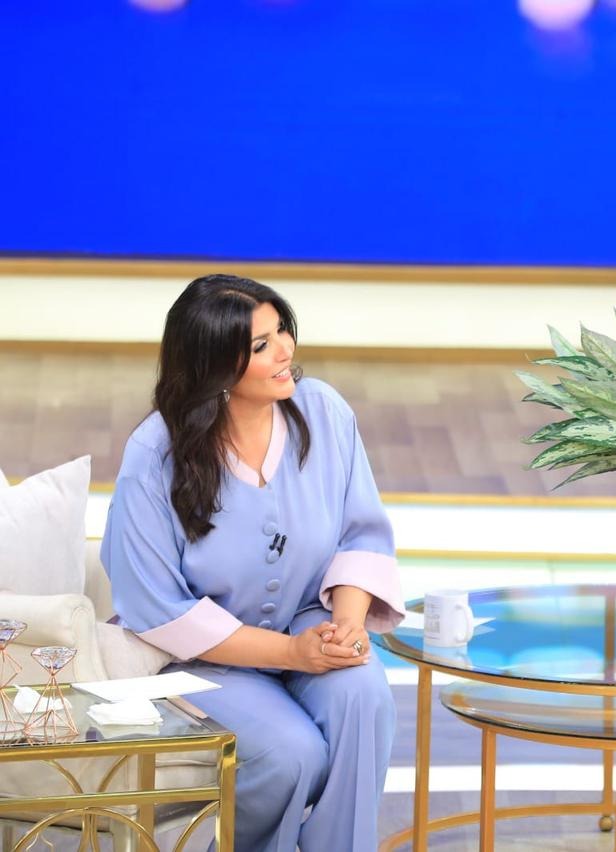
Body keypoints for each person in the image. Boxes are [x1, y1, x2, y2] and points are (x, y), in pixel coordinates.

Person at [102, 274, 406, 851]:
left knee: (364, 695)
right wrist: (291, 654)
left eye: (282, 330)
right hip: (198, 659)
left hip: (308, 621)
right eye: (262, 345)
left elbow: (360, 535)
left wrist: (346, 627)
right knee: (292, 754)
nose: (285, 350)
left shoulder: (324, 411)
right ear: (215, 367)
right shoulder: (155, 452)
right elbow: (155, 605)